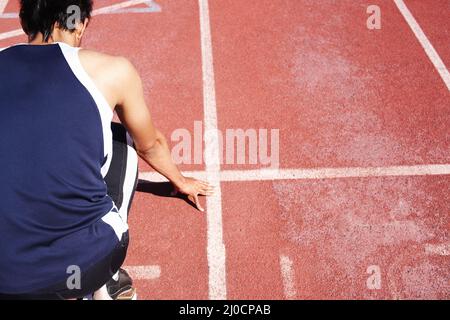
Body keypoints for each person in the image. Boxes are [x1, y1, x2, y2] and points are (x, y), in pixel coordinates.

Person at [0, 0, 213, 300]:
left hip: (5, 279)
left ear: (23, 21)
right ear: (81, 23)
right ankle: (105, 283)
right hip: (82, 265)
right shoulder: (112, 70)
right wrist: (180, 180)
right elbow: (150, 145)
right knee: (120, 137)